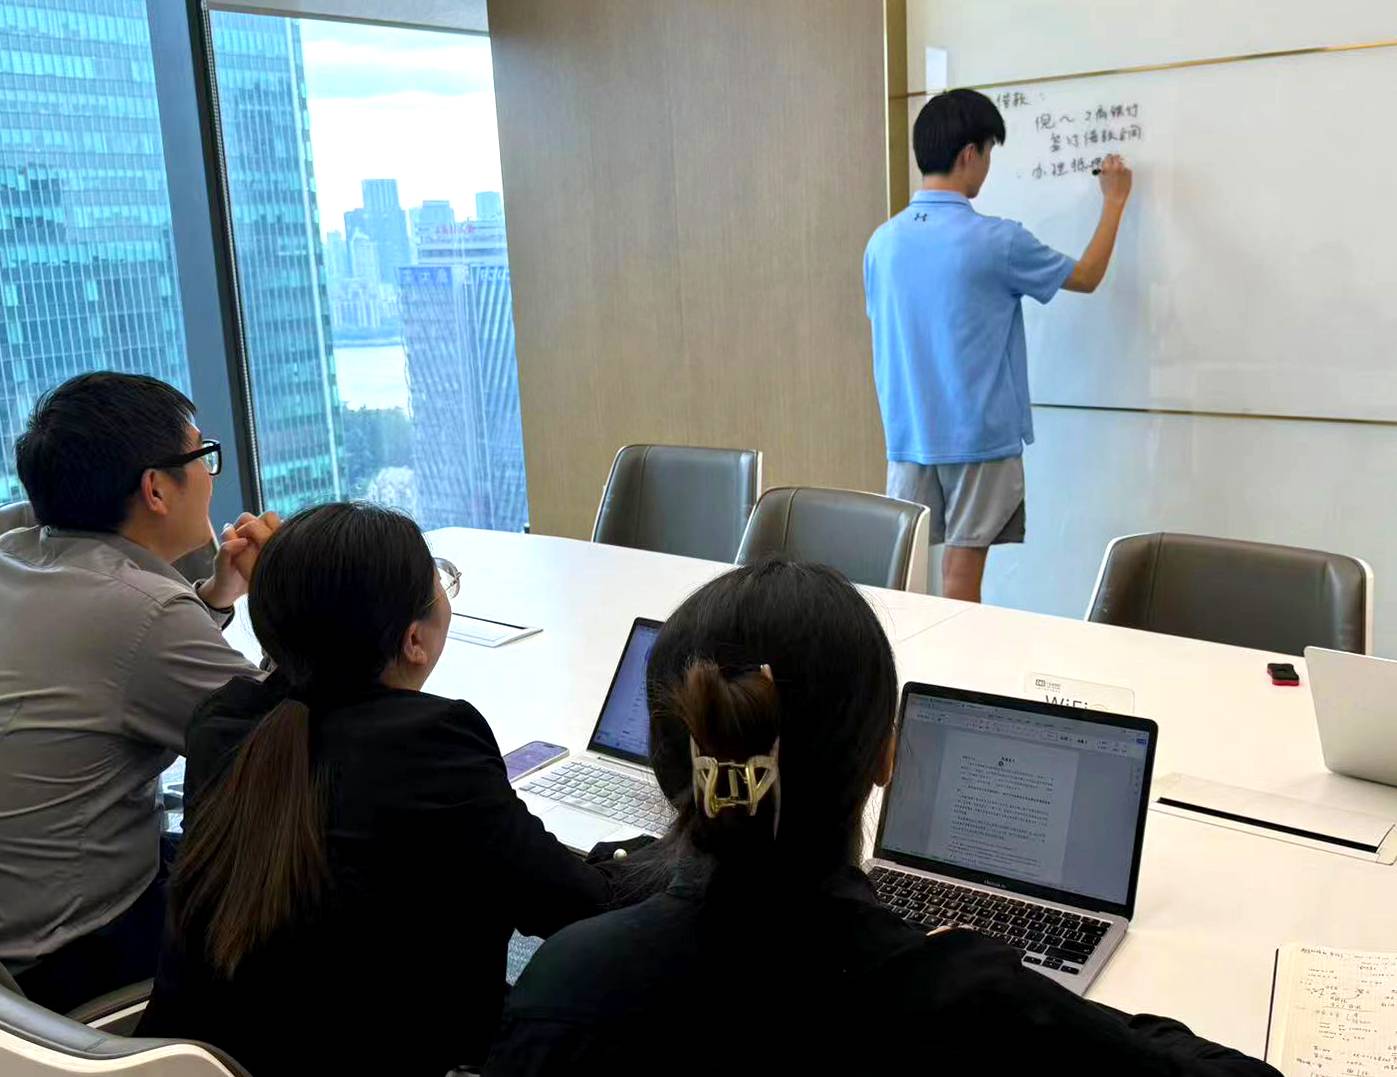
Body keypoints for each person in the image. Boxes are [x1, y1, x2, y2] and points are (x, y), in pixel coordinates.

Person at [485, 560, 1277, 1076]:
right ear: (886, 759)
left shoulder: (565, 979)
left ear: (669, 763)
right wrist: (1022, 994)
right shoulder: (968, 1008)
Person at [138, 502, 634, 1075]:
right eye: (438, 581)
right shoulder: (430, 743)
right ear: (413, 641)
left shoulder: (224, 723)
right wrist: (643, 859)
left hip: (204, 1060)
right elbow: (571, 906)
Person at [0, 372, 278, 1012]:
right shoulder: (140, 609)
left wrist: (212, 601)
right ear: (156, 488)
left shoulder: (17, 546)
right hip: (68, 954)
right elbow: (284, 734)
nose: (212, 472)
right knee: (311, 879)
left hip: (12, 934)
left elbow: (113, 671)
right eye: (203, 454)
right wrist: (282, 598)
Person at [864, 88, 1133, 603]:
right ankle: (952, 686)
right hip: (977, 438)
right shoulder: (998, 241)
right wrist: (1115, 202)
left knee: (905, 583)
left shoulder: (883, 242)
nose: (987, 167)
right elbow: (1088, 276)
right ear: (969, 154)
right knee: (961, 582)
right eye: (988, 153)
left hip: (908, 435)